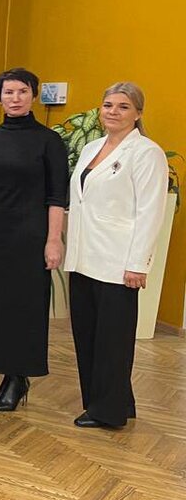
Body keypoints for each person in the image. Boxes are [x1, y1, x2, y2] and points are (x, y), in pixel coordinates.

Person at [65, 83, 167, 429]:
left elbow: (151, 212)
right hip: (83, 257)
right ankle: (118, 402)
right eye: (108, 105)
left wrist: (138, 264)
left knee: (112, 341)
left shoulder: (146, 152)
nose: (113, 111)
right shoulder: (91, 147)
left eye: (123, 106)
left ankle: (106, 413)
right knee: (87, 335)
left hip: (118, 262)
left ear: (138, 113)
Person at [0, 68, 69, 412]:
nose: (15, 98)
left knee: (23, 308)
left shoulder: (49, 141)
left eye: (22, 92)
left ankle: (19, 377)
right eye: (8, 92)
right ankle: (5, 375)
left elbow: (57, 196)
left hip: (29, 236)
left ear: (33, 96)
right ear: (0, 98)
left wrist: (54, 240)